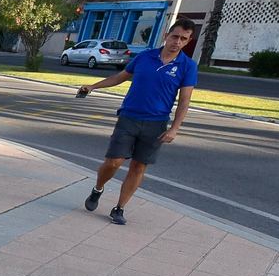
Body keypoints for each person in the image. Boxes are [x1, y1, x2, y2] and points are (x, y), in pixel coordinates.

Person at [75, 19, 199, 225]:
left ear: (188, 42)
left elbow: (185, 101)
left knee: (139, 167)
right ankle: (98, 189)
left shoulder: (187, 66)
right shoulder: (145, 57)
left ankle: (119, 208)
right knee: (113, 162)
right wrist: (93, 86)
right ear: (166, 36)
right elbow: (120, 77)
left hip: (156, 124)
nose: (177, 42)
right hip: (129, 118)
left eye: (183, 39)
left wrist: (175, 128)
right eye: (175, 36)